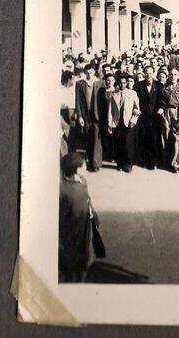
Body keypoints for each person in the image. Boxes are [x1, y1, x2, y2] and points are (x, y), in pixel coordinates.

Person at [59, 152, 100, 282]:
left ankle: (82, 274)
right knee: (73, 254)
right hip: (72, 228)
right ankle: (73, 277)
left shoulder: (83, 182)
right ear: (77, 169)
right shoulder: (64, 189)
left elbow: (88, 199)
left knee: (86, 251)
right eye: (84, 166)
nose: (86, 169)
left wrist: (94, 213)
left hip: (85, 224)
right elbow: (61, 213)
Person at [108, 74, 140, 172]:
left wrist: (133, 120)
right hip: (117, 121)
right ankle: (120, 163)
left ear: (127, 83)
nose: (122, 85)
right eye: (120, 83)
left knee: (128, 143)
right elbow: (110, 110)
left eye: (124, 83)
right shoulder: (113, 94)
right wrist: (110, 123)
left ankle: (128, 163)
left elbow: (137, 109)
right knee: (118, 142)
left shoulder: (132, 93)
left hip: (128, 121)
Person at [157, 68, 179, 173]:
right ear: (168, 76)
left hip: (176, 112)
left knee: (176, 138)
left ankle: (175, 163)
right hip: (165, 112)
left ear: (178, 76)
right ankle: (165, 161)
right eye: (171, 74)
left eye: (175, 74)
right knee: (164, 136)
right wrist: (160, 107)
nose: (173, 76)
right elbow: (159, 100)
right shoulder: (163, 87)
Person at [136, 66, 161, 169]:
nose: (148, 75)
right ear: (144, 73)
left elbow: (161, 99)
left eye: (150, 73)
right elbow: (135, 99)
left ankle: (153, 162)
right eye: (146, 73)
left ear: (153, 73)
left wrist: (160, 108)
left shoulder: (159, 85)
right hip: (143, 116)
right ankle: (143, 160)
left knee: (154, 139)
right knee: (143, 138)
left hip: (155, 116)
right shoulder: (139, 86)